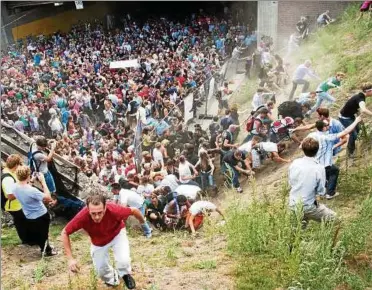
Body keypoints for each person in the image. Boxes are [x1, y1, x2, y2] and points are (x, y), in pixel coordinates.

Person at [61, 193, 147, 289]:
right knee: (101, 270)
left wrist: (144, 224)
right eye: (93, 213)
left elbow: (134, 210)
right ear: (88, 210)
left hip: (117, 234)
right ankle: (113, 279)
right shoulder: (82, 216)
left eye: (100, 212)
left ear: (105, 208)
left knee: (123, 260)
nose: (97, 217)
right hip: (99, 241)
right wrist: (70, 259)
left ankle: (125, 275)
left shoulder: (114, 210)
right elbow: (65, 232)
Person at [305, 116, 362, 199]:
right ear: (324, 128)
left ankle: (324, 189)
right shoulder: (327, 137)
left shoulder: (311, 135)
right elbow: (346, 131)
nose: (328, 126)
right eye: (327, 125)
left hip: (314, 163)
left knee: (326, 174)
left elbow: (301, 146)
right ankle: (330, 193)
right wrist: (356, 121)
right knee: (334, 171)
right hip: (324, 163)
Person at [288, 137, 336, 228]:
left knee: (298, 231)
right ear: (317, 150)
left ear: (302, 149)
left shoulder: (295, 163)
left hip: (293, 204)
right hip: (308, 205)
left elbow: (290, 182)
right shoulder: (319, 168)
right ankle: (328, 238)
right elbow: (321, 191)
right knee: (334, 219)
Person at [13, 165, 57, 256]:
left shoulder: (15, 187)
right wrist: (43, 181)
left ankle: (45, 246)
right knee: (44, 233)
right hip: (40, 214)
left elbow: (24, 187)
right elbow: (48, 198)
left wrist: (31, 181)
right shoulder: (32, 190)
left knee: (38, 232)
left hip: (29, 215)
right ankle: (46, 251)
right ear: (28, 175)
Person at [1, 154, 28, 244]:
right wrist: (23, 190)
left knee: (21, 222)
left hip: (18, 204)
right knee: (22, 222)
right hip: (13, 205)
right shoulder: (7, 178)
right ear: (16, 165)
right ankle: (27, 239)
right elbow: (10, 196)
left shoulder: (10, 171)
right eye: (19, 164)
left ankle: (26, 239)